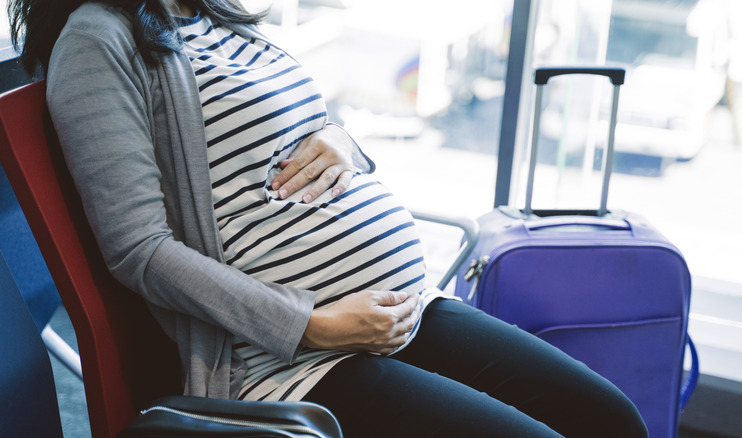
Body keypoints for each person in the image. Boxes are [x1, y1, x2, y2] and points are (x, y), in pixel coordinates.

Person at [9, 1, 649, 436]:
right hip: (289, 363)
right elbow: (138, 248)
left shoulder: (212, 15)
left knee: (607, 418)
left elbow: (299, 129)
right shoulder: (98, 40)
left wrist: (346, 142)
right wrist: (310, 327)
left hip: (403, 310)